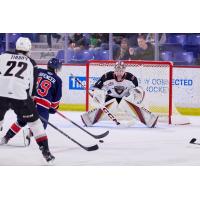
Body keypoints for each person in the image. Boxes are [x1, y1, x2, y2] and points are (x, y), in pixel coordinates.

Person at [0, 37, 55, 162]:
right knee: (35, 124)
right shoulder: (31, 63)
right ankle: (45, 151)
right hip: (20, 96)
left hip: (0, 94)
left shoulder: (2, 56)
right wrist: (30, 102)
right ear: (29, 49)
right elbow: (32, 89)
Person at [1, 57, 63, 146]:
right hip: (43, 105)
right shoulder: (57, 80)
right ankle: (29, 133)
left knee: (21, 121)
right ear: (56, 68)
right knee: (41, 127)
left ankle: (6, 137)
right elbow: (57, 97)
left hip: (30, 100)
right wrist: (53, 108)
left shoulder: (39, 71)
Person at [81, 61, 159, 128]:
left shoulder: (132, 78)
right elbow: (95, 87)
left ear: (125, 70)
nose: (119, 73)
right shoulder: (106, 76)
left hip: (125, 99)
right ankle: (88, 119)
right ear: (114, 70)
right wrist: (96, 95)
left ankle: (149, 120)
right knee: (107, 101)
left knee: (128, 101)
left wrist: (136, 97)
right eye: (117, 70)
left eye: (121, 70)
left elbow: (139, 91)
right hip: (110, 98)